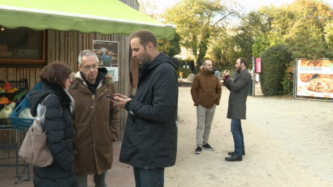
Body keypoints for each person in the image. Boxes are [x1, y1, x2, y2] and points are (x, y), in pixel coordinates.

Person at [111, 30, 179, 187]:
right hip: (143, 149)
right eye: (132, 50)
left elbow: (160, 112)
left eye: (136, 50)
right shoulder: (151, 69)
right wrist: (130, 100)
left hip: (152, 151)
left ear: (150, 46)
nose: (134, 55)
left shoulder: (164, 71)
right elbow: (149, 102)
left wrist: (129, 105)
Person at [69, 50, 120, 187]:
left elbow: (114, 111)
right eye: (87, 67)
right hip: (80, 146)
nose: (92, 70)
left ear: (98, 64)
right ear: (80, 67)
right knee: (79, 184)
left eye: (94, 66)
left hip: (103, 143)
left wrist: (112, 134)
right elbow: (67, 117)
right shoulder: (72, 88)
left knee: (102, 183)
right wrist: (73, 138)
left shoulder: (108, 85)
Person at [29, 62, 76, 187]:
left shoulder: (52, 97)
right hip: (56, 169)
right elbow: (55, 139)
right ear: (57, 79)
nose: (71, 80)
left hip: (51, 169)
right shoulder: (53, 100)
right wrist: (66, 161)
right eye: (67, 77)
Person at [222, 57, 251, 162]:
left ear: (243, 64)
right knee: (238, 128)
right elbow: (232, 88)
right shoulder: (240, 74)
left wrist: (228, 78)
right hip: (235, 105)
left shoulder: (246, 75)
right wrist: (226, 80)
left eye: (237, 63)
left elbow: (236, 87)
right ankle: (240, 150)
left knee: (234, 129)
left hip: (238, 105)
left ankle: (238, 154)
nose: (235, 65)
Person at [191, 60, 222, 154]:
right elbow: (193, 90)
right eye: (209, 65)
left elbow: (219, 90)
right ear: (204, 66)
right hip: (201, 105)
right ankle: (199, 145)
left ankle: (205, 142)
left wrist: (216, 100)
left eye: (211, 65)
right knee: (200, 125)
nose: (211, 66)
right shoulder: (198, 77)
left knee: (208, 125)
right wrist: (197, 102)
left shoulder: (215, 78)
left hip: (212, 105)